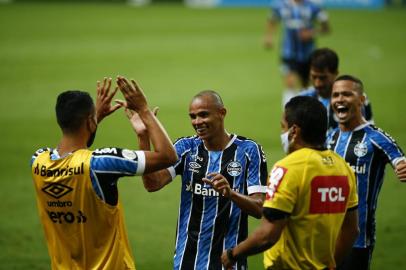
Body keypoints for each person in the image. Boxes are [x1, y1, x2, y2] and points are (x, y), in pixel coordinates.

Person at [30, 76, 177, 269]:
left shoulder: (38, 161)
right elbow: (168, 156)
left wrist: (94, 118)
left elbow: (69, 152)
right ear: (89, 122)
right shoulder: (100, 164)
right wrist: (144, 110)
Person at [133, 90, 268, 270]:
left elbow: (260, 208)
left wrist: (231, 194)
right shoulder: (185, 147)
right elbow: (153, 183)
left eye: (203, 115)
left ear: (222, 113)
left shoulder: (249, 151)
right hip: (186, 259)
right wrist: (143, 137)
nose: (197, 122)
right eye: (193, 116)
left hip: (228, 261)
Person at [221, 96, 359, 270]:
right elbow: (351, 230)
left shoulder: (288, 168)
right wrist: (331, 265)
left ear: (294, 131)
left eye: (283, 127)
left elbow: (268, 235)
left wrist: (233, 254)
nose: (282, 133)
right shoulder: (343, 168)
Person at [327, 75, 406, 270]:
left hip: (359, 239)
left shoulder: (376, 138)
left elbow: (400, 160)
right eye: (335, 95)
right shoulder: (329, 138)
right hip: (325, 236)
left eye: (347, 94)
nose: (340, 99)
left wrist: (403, 167)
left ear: (361, 100)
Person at [264, 0, 330, 106]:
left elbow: (326, 28)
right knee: (289, 84)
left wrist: (311, 33)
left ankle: (305, 115)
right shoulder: (281, 5)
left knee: (306, 87)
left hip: (308, 54)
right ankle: (288, 115)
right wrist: (268, 36)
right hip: (288, 52)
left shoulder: (313, 6)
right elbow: (272, 19)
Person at [300, 48, 373, 131]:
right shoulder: (303, 99)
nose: (317, 83)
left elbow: (364, 135)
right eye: (314, 77)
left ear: (336, 73)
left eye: (323, 78)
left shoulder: (354, 100)